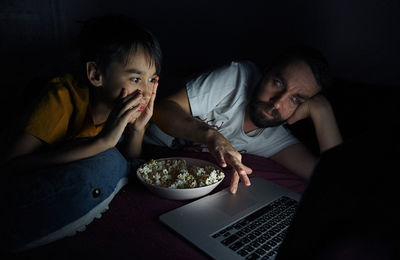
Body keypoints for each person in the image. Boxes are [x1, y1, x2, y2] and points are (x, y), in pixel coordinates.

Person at [0, 14, 161, 251]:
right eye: (136, 78)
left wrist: (137, 130)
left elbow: (131, 159)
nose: (146, 91)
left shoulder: (131, 107)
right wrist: (104, 142)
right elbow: (10, 165)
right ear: (96, 75)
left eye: (152, 80)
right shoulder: (61, 98)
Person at [144, 46, 342, 194]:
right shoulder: (235, 78)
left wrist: (323, 112)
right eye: (278, 82)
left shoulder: (275, 137)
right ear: (265, 73)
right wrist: (212, 136)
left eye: (296, 99)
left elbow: (330, 179)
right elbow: (162, 109)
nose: (277, 102)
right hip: (143, 152)